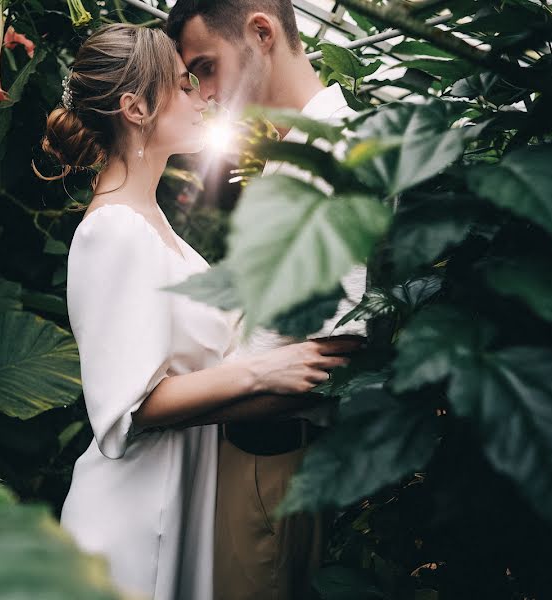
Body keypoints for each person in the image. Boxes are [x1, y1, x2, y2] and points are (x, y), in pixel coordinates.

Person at [37, 23, 360, 600]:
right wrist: (260, 371)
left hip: (180, 496)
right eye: (185, 86)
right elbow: (126, 409)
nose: (203, 97)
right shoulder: (112, 232)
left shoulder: (153, 224)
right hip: (134, 520)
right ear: (135, 108)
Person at [166, 2, 368, 599]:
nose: (203, 92)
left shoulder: (331, 154)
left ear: (261, 32)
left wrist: (162, 411)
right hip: (254, 457)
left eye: (206, 66)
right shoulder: (295, 151)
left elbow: (331, 359)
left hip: (271, 461)